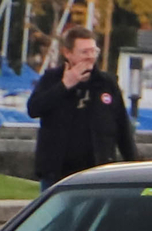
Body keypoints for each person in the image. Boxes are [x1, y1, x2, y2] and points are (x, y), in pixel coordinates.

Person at [27, 27, 138, 188]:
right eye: (84, 52)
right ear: (68, 53)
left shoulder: (106, 83)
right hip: (57, 174)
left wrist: (133, 166)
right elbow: (34, 109)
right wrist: (65, 85)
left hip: (98, 173)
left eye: (93, 52)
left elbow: (122, 127)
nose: (90, 57)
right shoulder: (52, 79)